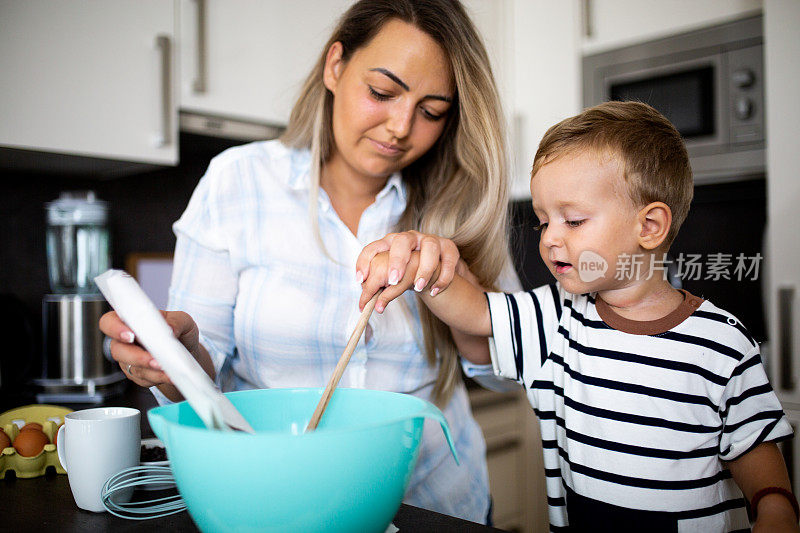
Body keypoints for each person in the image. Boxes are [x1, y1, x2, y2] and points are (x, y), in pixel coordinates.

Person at [99, 0, 519, 523]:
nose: (400, 127)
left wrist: (454, 288)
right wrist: (175, 356)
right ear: (335, 65)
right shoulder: (238, 182)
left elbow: (508, 378)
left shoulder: (462, 203)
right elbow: (200, 392)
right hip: (281, 507)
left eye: (432, 111)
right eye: (382, 92)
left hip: (434, 509)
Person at [357, 101, 799, 532]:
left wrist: (775, 507)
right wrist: (423, 261)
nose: (549, 238)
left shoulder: (722, 342)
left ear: (648, 227)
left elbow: (753, 443)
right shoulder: (557, 318)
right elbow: (475, 313)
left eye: (573, 221)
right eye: (543, 221)